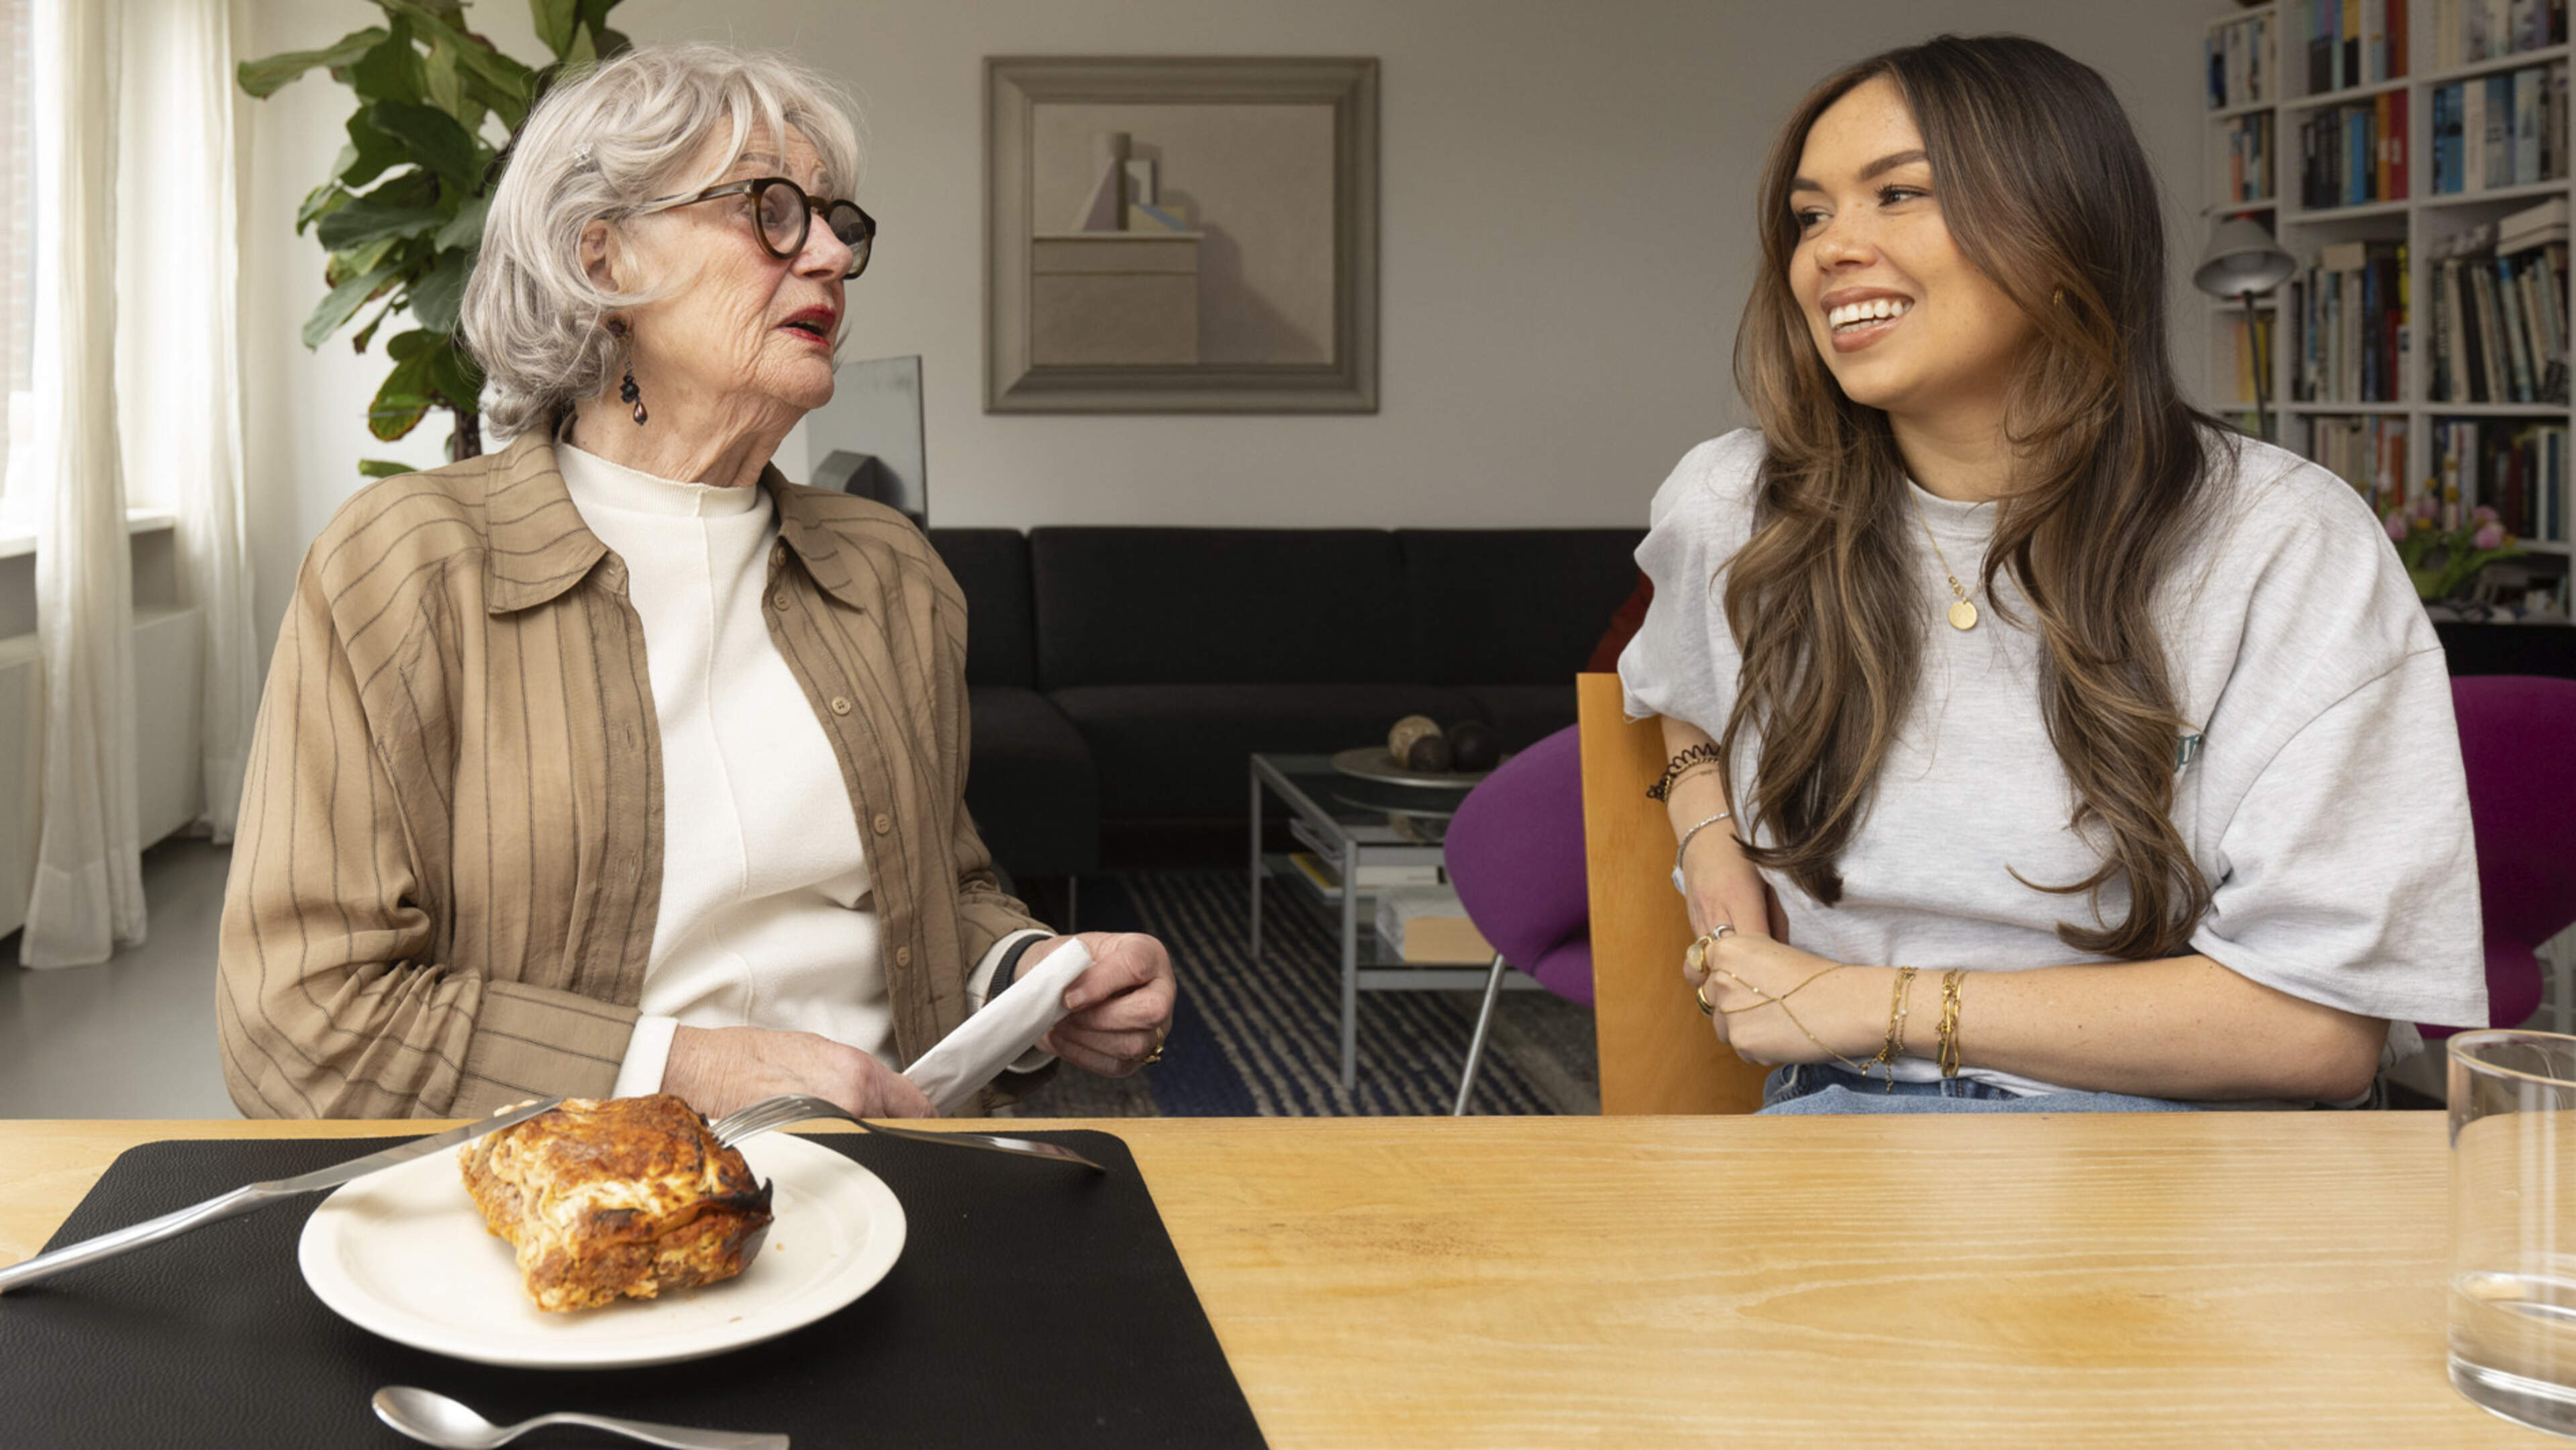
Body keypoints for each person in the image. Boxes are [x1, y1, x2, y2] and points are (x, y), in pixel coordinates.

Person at [218, 43, 1175, 1120]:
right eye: (770, 210)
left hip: (898, 1177)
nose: (827, 257)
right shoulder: (410, 564)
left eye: (837, 221)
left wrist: (1031, 978)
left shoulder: (888, 569)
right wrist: (686, 1071)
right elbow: (301, 1020)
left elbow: (943, 893)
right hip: (589, 1208)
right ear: (604, 259)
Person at [1619, 34, 2485, 1114]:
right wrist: (1707, 843)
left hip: (2192, 1150)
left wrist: (1870, 1002)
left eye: (1898, 195)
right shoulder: (1734, 503)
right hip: (1845, 1121)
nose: (1830, 250)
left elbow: (2316, 1033)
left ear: (2059, 220)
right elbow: (1674, 699)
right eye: (1809, 215)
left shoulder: (2280, 538)